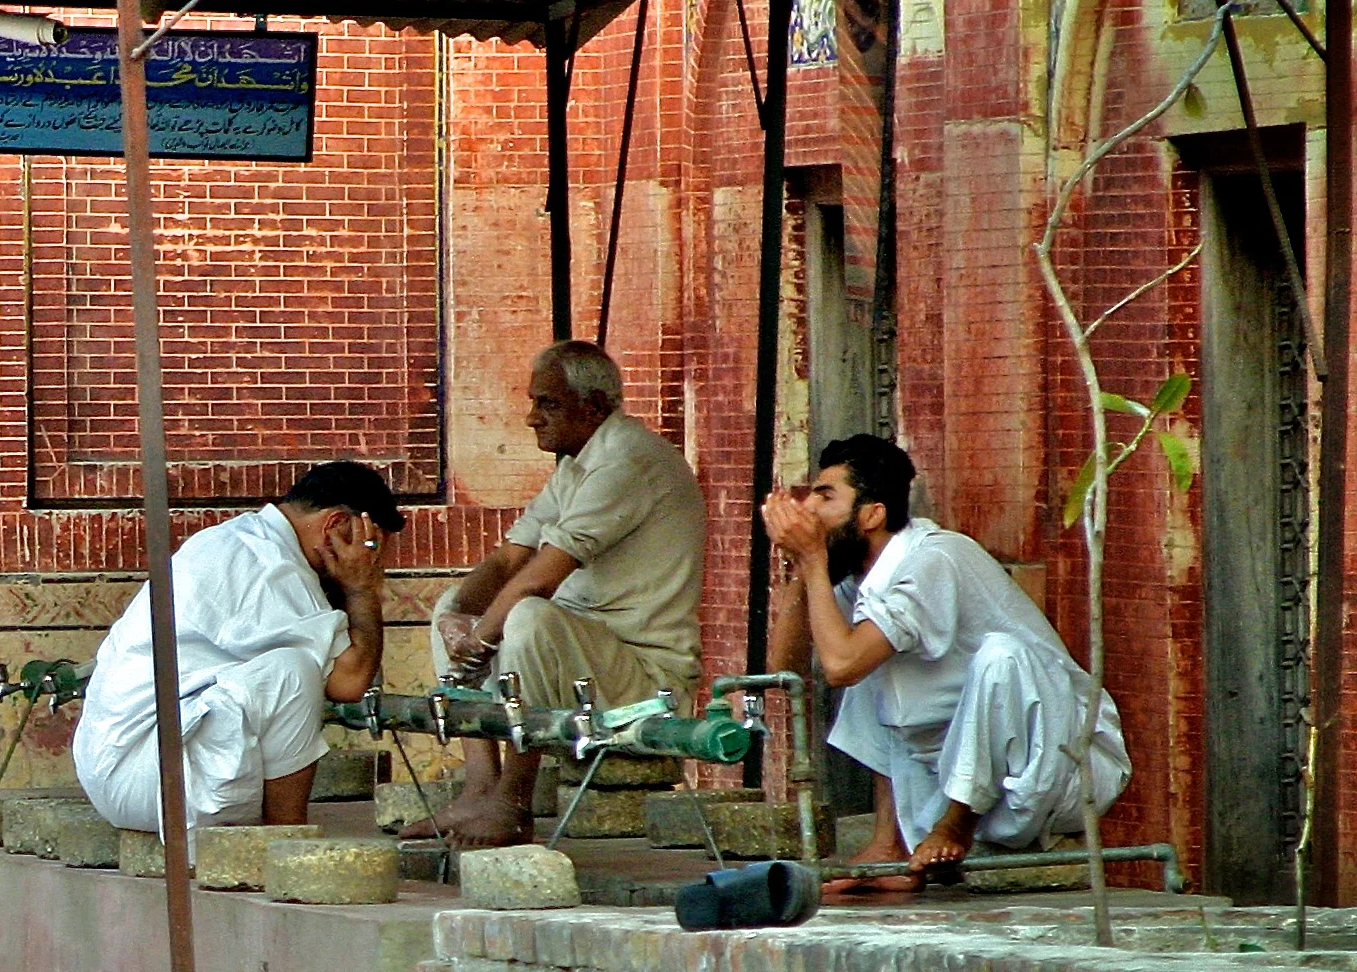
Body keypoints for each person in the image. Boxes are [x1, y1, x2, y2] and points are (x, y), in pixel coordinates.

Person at [762, 433, 1129, 892]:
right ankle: (888, 843)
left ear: (872, 514)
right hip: (945, 781)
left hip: (1054, 771)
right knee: (865, 651)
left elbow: (840, 665)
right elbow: (784, 672)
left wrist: (814, 557)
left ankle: (955, 826)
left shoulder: (935, 559)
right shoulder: (863, 578)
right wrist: (804, 566)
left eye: (825, 496)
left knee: (1000, 655)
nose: (809, 510)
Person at [409, 341, 706, 847]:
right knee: (452, 605)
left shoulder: (626, 462)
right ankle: (479, 788)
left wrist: (476, 642)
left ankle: (512, 802)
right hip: (585, 656)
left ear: (591, 407)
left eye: (547, 404)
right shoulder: (575, 465)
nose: (531, 419)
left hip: (645, 681)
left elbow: (539, 579)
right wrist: (459, 620)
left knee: (526, 615)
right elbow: (509, 559)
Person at [72, 460, 403, 838]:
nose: (373, 561)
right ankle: (286, 842)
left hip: (125, 768)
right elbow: (351, 680)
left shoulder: (244, 540)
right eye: (372, 546)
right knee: (292, 673)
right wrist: (362, 587)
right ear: (336, 526)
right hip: (147, 775)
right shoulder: (272, 567)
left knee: (289, 670)